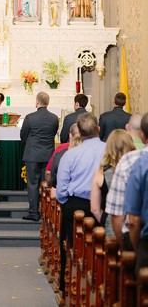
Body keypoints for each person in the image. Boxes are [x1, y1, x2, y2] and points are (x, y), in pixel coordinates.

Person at [55, 113, 106, 292]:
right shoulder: (109, 150)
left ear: (79, 133)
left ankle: (66, 285)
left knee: (70, 245)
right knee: (102, 247)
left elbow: (61, 189)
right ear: (98, 130)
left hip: (76, 204)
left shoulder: (70, 155)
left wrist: (64, 201)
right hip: (103, 205)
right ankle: (102, 286)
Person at [107, 114, 148, 248]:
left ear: (143, 136)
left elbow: (123, 216)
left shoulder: (130, 161)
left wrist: (129, 249)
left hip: (142, 240)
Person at [20, 91, 59, 221]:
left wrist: (30, 144)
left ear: (37, 102)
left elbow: (23, 135)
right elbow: (53, 134)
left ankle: (33, 212)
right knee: (46, 183)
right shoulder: (54, 118)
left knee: (32, 184)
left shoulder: (30, 117)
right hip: (48, 154)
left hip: (32, 154)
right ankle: (46, 212)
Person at [91, 130, 134, 238]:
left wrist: (105, 221)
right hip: (133, 222)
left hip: (110, 222)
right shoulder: (136, 168)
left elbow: (94, 208)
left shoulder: (101, 171)